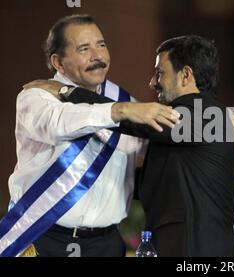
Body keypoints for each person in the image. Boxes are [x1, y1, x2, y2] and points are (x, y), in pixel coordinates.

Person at [26, 35, 234, 257]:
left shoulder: (210, 117)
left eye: (160, 73)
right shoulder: (182, 132)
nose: (152, 82)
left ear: (185, 75)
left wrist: (67, 92)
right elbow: (147, 183)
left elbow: (134, 120)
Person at [1, 14, 178, 257]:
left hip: (106, 244)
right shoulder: (36, 97)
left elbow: (158, 151)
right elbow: (60, 123)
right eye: (84, 48)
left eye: (102, 45)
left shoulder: (124, 102)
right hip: (43, 237)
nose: (98, 56)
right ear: (58, 62)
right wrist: (119, 111)